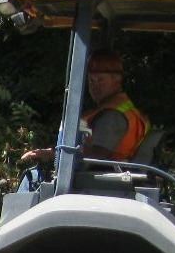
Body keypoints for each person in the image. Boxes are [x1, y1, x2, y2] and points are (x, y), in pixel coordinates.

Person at [21, 50, 151, 167]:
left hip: (99, 177)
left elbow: (97, 157)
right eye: (91, 80)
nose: (95, 86)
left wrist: (53, 155)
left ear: (117, 80)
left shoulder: (112, 115)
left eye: (100, 80)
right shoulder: (120, 108)